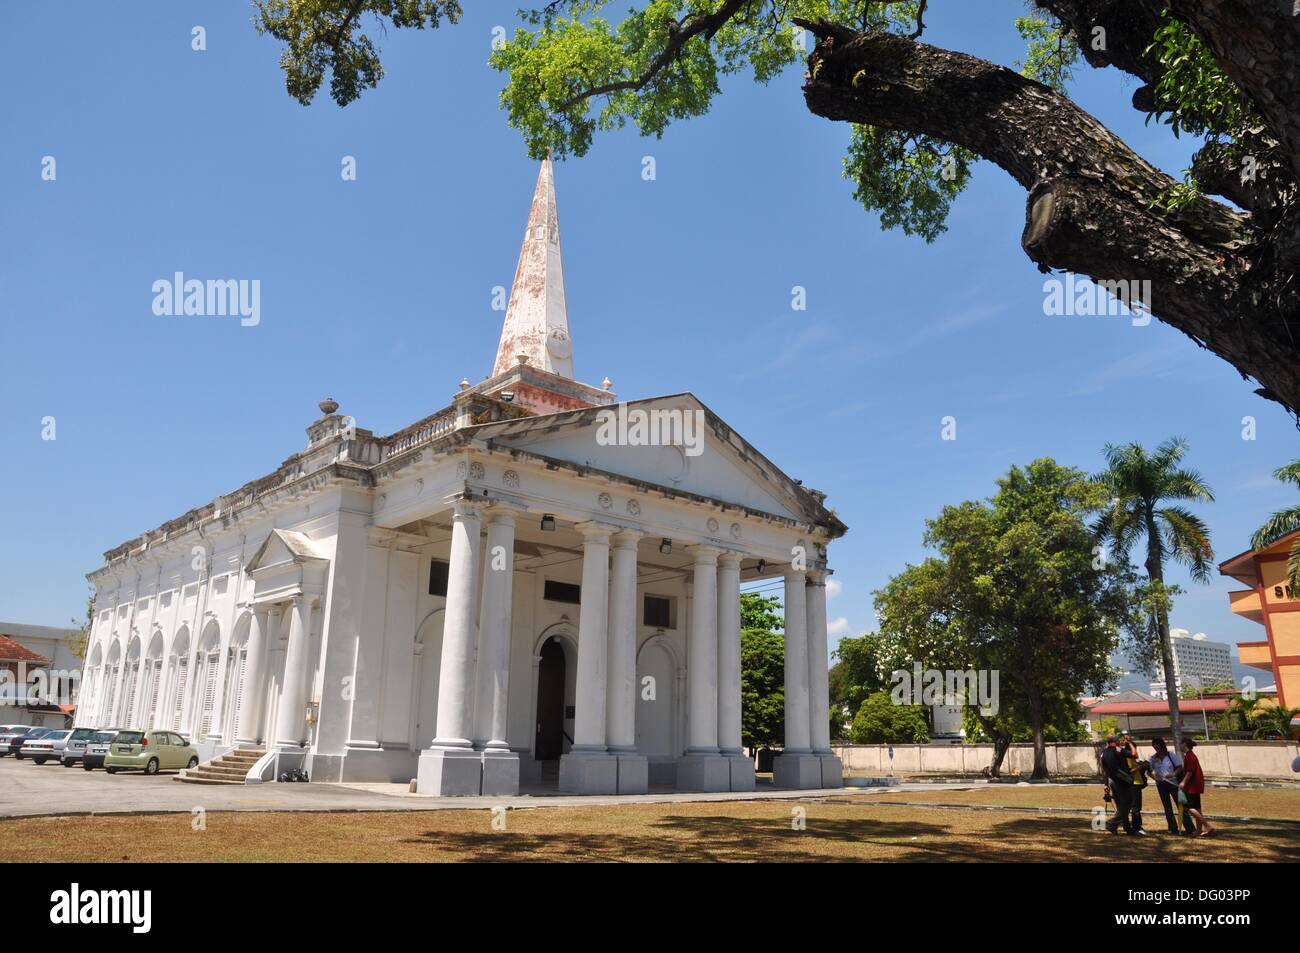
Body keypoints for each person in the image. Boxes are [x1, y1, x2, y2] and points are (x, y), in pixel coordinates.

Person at [1149, 737, 1193, 834]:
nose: (1156, 747)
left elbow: (1179, 767)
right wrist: (1155, 778)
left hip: (1173, 783)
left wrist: (1173, 774)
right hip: (1161, 785)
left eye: (1157, 744)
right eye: (1154, 745)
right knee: (1167, 807)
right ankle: (1172, 828)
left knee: (1180, 805)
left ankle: (1189, 828)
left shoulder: (1170, 755)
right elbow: (1149, 771)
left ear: (1162, 745)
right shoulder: (1153, 758)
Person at [1100, 735, 1141, 835]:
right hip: (1122, 781)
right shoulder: (1117, 749)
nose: (1120, 742)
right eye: (1118, 740)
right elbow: (1135, 755)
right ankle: (1112, 824)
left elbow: (1104, 771)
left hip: (1112, 781)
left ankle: (1127, 828)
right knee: (1127, 804)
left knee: (1120, 806)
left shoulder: (1103, 753)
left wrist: (1106, 785)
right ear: (1115, 741)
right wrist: (1130, 743)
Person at [1178, 737, 1213, 837]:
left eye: (1180, 744)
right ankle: (1198, 830)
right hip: (1195, 785)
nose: (1179, 746)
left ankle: (1207, 826)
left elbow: (1190, 771)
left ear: (1184, 744)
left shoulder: (1190, 756)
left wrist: (1183, 782)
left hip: (1192, 786)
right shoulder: (1189, 755)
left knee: (1188, 808)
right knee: (1197, 809)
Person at [1121, 731, 1148, 833]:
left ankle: (1135, 826)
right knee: (1135, 807)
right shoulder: (1127, 757)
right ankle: (1137, 827)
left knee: (1136, 806)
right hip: (1133, 784)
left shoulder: (1130, 758)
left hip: (1136, 783)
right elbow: (1129, 770)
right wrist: (1140, 767)